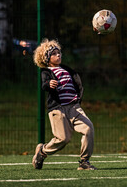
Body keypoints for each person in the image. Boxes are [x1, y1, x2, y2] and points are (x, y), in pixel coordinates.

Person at [32, 38, 97, 170]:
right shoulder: (47, 72)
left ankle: (84, 162)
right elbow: (44, 85)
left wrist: (78, 98)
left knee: (88, 128)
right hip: (58, 109)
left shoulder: (67, 69)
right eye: (54, 54)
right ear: (46, 58)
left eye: (59, 52)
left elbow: (77, 84)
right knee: (63, 139)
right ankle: (42, 151)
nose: (59, 55)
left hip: (74, 107)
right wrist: (49, 84)